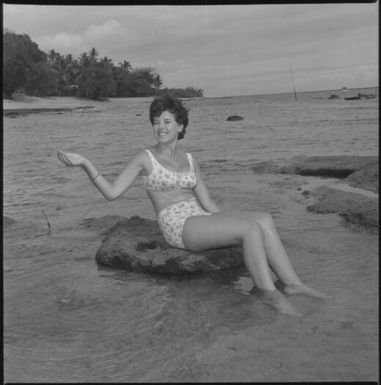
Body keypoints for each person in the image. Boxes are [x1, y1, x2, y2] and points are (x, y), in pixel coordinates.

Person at [57, 94, 329, 316]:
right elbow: (112, 193)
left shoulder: (190, 159)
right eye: (155, 121)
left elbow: (208, 202)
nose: (160, 127)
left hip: (198, 216)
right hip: (176, 225)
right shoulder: (145, 157)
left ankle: (293, 284)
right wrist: (84, 163)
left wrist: (228, 224)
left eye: (166, 121)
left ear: (181, 126)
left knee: (263, 219)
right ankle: (267, 293)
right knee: (250, 230)